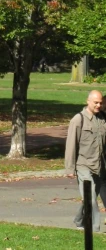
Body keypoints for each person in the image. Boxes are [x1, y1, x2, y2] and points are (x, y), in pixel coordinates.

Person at [65, 89, 106, 232]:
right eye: (96, 102)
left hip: (99, 165)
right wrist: (69, 168)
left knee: (90, 197)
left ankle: (78, 220)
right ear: (88, 101)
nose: (98, 105)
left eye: (100, 103)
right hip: (83, 166)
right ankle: (94, 229)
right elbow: (71, 145)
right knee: (90, 198)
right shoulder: (78, 119)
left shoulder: (102, 118)